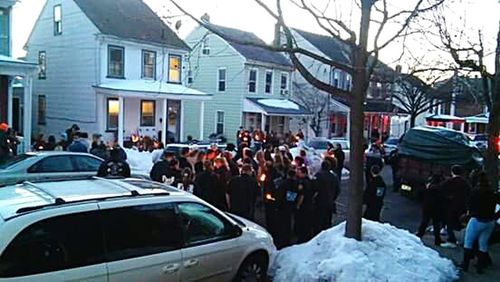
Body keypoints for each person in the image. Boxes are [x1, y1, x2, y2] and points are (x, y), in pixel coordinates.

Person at [460, 172, 499, 273]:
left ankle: (465, 265)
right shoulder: (492, 192)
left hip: (476, 220)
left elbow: (469, 205)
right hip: (489, 221)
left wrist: (468, 215)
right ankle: (480, 267)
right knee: (483, 243)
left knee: (468, 241)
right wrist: (496, 216)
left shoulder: (475, 192)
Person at [440, 165, 471, 248]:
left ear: (452, 172)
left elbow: (441, 191)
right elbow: (469, 194)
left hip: (451, 206)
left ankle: (452, 240)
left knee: (449, 223)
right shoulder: (465, 183)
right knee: (460, 224)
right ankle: (462, 239)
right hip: (462, 206)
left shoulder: (449, 182)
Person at [416, 174, 444, 246]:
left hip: (427, 207)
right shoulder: (440, 188)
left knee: (424, 221)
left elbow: (419, 194)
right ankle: (437, 240)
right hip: (436, 208)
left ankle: (420, 235)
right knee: (436, 224)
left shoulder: (427, 187)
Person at [313, 161, 340, 234]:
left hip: (320, 202)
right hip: (330, 202)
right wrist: (333, 198)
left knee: (319, 221)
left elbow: (314, 188)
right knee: (327, 220)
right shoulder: (334, 176)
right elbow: (338, 190)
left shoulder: (318, 176)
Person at [294, 166, 314, 243]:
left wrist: (298, 205)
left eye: (299, 172)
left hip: (303, 206)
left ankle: (302, 238)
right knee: (307, 223)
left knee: (301, 222)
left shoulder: (302, 182)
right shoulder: (310, 181)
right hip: (310, 205)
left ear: (304, 173)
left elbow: (301, 195)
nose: (298, 174)